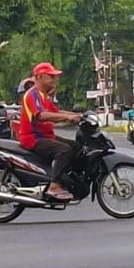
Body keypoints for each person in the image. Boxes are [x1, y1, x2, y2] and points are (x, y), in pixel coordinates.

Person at [16, 62, 82, 203]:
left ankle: (66, 178)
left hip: (45, 136)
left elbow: (56, 112)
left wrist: (80, 115)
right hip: (33, 138)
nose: (54, 80)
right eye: (50, 76)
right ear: (39, 77)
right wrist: (67, 117)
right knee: (64, 150)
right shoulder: (32, 94)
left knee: (76, 146)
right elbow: (41, 115)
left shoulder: (43, 96)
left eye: (55, 77)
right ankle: (54, 186)